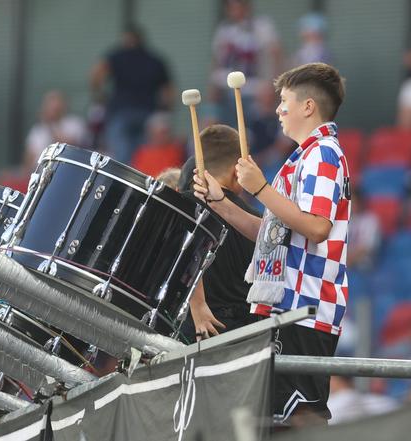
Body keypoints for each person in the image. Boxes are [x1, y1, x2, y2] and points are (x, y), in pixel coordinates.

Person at [194, 62, 350, 427]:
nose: (278, 109)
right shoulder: (303, 157)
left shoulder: (323, 153)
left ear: (308, 106)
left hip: (306, 305)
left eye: (284, 101)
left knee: (303, 415)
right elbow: (270, 232)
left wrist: (260, 188)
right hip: (285, 305)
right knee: (279, 418)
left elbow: (316, 227)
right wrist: (221, 201)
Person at [177, 125, 260, 341]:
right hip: (243, 338)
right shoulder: (257, 222)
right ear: (237, 171)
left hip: (187, 333)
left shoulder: (180, 208)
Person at [90, 25, 173, 164]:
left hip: (120, 112)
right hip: (147, 113)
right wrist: (164, 111)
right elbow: (168, 91)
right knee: (142, 157)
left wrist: (100, 97)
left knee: (121, 157)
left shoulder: (116, 56)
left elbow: (95, 75)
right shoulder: (154, 60)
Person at [209, 0, 282, 126]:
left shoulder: (262, 26)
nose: (236, 11)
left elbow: (276, 55)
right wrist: (213, 88)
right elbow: (217, 61)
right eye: (232, 8)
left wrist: (274, 85)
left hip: (257, 91)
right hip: (229, 92)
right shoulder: (224, 30)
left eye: (238, 7)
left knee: (255, 132)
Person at [130, 112, 185, 178]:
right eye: (162, 133)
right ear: (151, 132)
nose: (164, 136)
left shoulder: (177, 151)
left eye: (167, 132)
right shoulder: (142, 154)